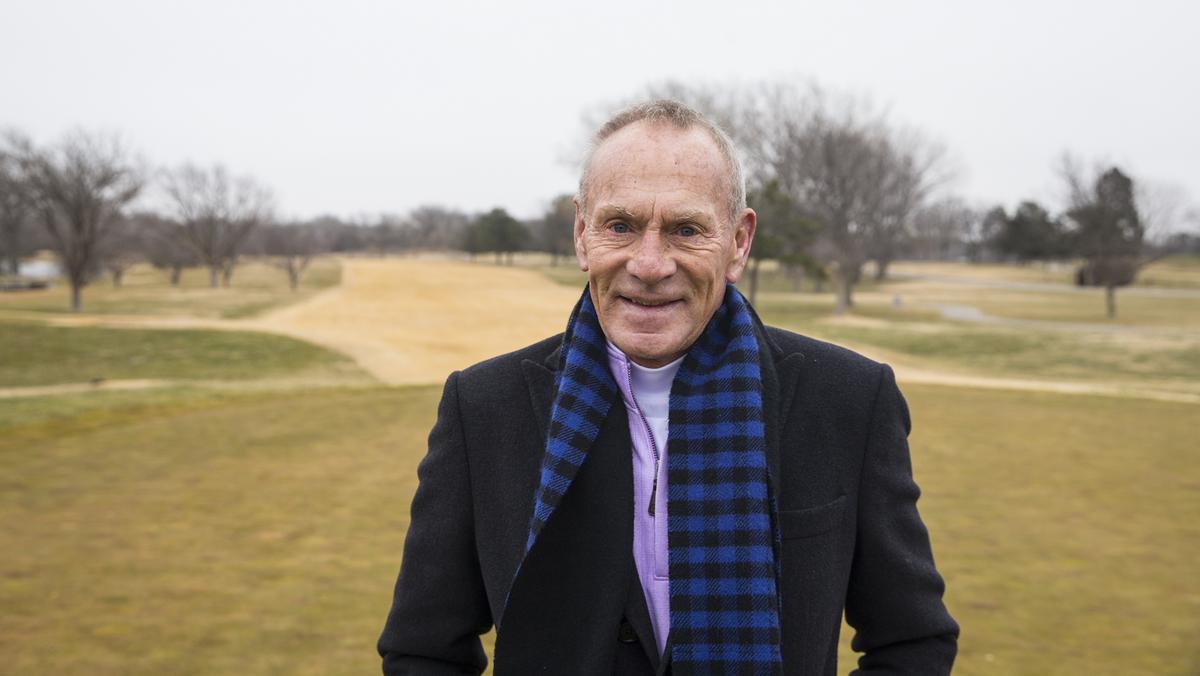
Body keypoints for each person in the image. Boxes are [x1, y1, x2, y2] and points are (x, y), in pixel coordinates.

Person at [377, 100, 958, 675]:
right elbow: (424, 652)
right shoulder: (482, 408)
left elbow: (912, 643)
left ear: (739, 241)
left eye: (685, 230)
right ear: (582, 235)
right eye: (620, 226)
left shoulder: (849, 400)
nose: (650, 264)